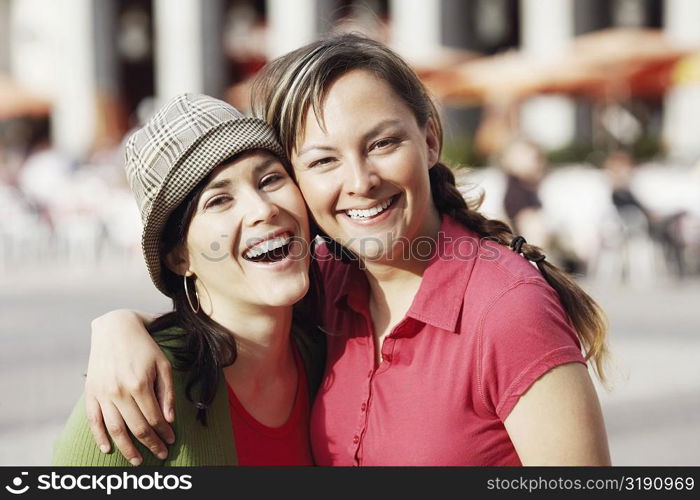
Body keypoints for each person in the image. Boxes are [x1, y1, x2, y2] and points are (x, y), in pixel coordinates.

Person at [84, 34, 611, 466]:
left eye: (382, 143)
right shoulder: (326, 283)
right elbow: (231, 304)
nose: (360, 180)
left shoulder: (507, 308)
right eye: (323, 161)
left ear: (429, 139)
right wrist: (117, 326)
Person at [52, 93, 325, 466]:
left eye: (270, 179)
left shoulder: (325, 349)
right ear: (178, 256)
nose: (263, 209)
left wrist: (116, 322)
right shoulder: (134, 402)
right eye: (219, 201)